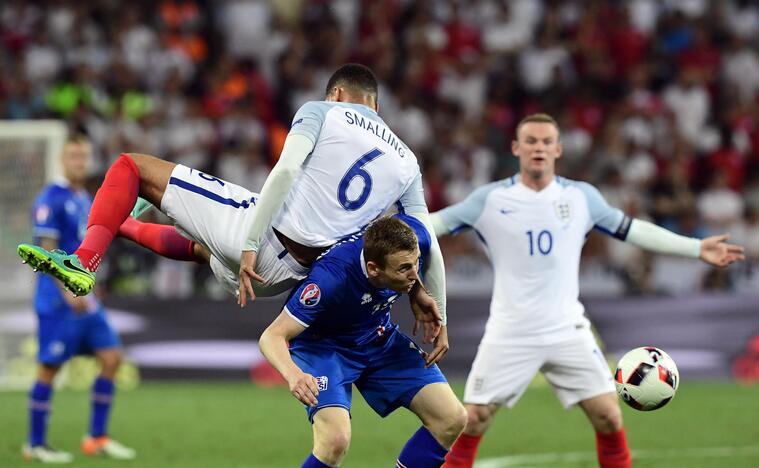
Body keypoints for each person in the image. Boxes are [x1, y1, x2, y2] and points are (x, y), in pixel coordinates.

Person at [17, 63, 446, 326]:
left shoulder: (323, 111)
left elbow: (286, 170)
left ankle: (85, 260)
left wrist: (251, 243)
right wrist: (435, 307)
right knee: (203, 249)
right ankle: (123, 224)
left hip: (259, 241)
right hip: (285, 280)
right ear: (375, 105)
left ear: (336, 94)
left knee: (131, 167)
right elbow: (427, 242)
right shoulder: (407, 160)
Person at [434, 113, 745, 468]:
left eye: (546, 141)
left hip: (568, 328)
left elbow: (634, 230)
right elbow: (435, 223)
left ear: (558, 149)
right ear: (516, 148)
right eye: (531, 141)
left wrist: (694, 248)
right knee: (472, 419)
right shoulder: (488, 199)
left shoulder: (581, 197)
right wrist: (388, 232)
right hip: (510, 330)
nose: (539, 148)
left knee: (609, 416)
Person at [258, 215, 465, 467]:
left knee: (451, 418)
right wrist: (293, 375)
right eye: (403, 269)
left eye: (415, 264)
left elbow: (420, 261)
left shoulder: (414, 235)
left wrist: (419, 293)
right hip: (324, 348)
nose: (413, 273)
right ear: (373, 269)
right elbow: (272, 336)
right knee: (335, 440)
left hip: (377, 337)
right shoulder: (332, 278)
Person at [22, 135, 136, 463]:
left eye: (83, 157)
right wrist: (65, 289)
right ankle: (35, 443)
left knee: (112, 358)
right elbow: (44, 252)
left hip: (87, 300)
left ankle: (97, 437)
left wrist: (92, 285)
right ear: (62, 159)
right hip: (59, 301)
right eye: (73, 156)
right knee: (49, 368)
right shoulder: (50, 198)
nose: (79, 163)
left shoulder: (86, 197)